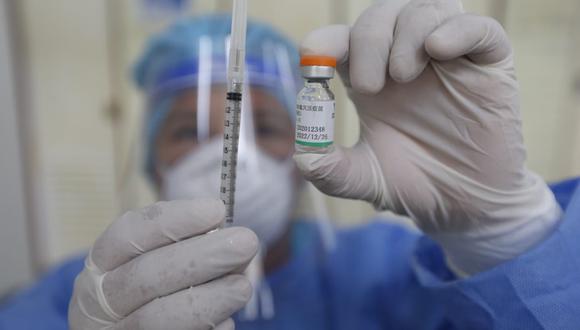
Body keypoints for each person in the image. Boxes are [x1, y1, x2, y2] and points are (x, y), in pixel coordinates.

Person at [1, 1, 580, 329]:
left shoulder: (384, 272)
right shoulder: (87, 299)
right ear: (152, 158)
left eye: (268, 128)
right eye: (187, 132)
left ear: (303, 145)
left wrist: (502, 238)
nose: (231, 152)